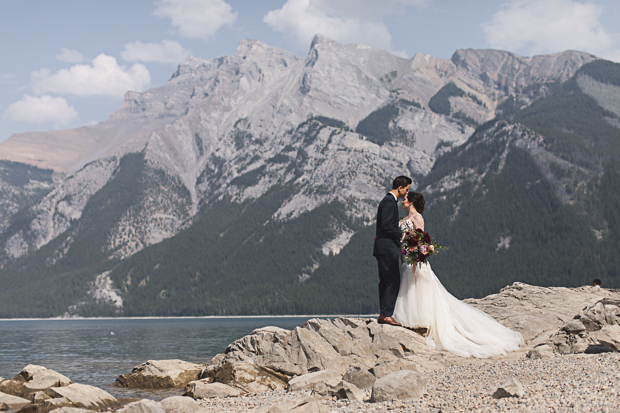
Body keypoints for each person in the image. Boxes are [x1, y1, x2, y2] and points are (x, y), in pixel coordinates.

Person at [392, 192, 524, 358]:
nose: (402, 201)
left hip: (413, 259)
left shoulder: (417, 218)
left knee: (418, 287)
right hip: (404, 257)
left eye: (405, 199)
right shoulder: (404, 219)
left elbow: (421, 239)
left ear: (411, 202)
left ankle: (421, 321)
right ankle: (409, 319)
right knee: (407, 286)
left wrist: (419, 253)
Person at [373, 176, 412, 326]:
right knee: (392, 281)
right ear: (400, 188)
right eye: (406, 189)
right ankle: (387, 314)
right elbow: (388, 226)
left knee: (385, 281)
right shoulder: (389, 202)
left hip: (383, 248)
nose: (407, 193)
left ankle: (384, 313)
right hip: (388, 248)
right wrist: (402, 236)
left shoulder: (387, 201)